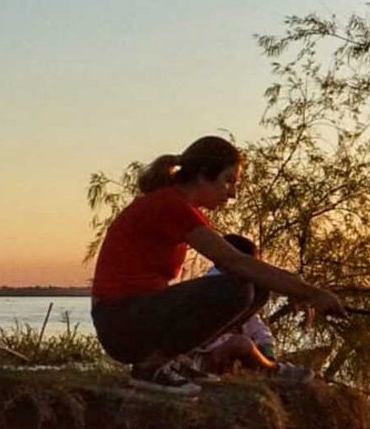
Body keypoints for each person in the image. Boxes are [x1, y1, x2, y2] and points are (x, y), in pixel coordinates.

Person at [90, 135, 342, 395]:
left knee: (257, 288)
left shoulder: (179, 207)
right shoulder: (170, 205)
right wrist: (310, 292)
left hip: (133, 318)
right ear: (202, 175)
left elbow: (242, 264)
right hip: (120, 321)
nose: (232, 193)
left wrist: (295, 290)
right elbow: (233, 261)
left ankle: (174, 361)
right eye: (228, 181)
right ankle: (151, 368)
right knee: (237, 288)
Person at [192, 233, 309, 381]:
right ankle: (272, 372)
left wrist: (267, 354)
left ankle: (267, 367)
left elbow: (259, 330)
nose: (256, 272)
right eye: (252, 266)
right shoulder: (215, 287)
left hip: (219, 354)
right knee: (242, 344)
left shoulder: (242, 292)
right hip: (199, 356)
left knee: (245, 342)